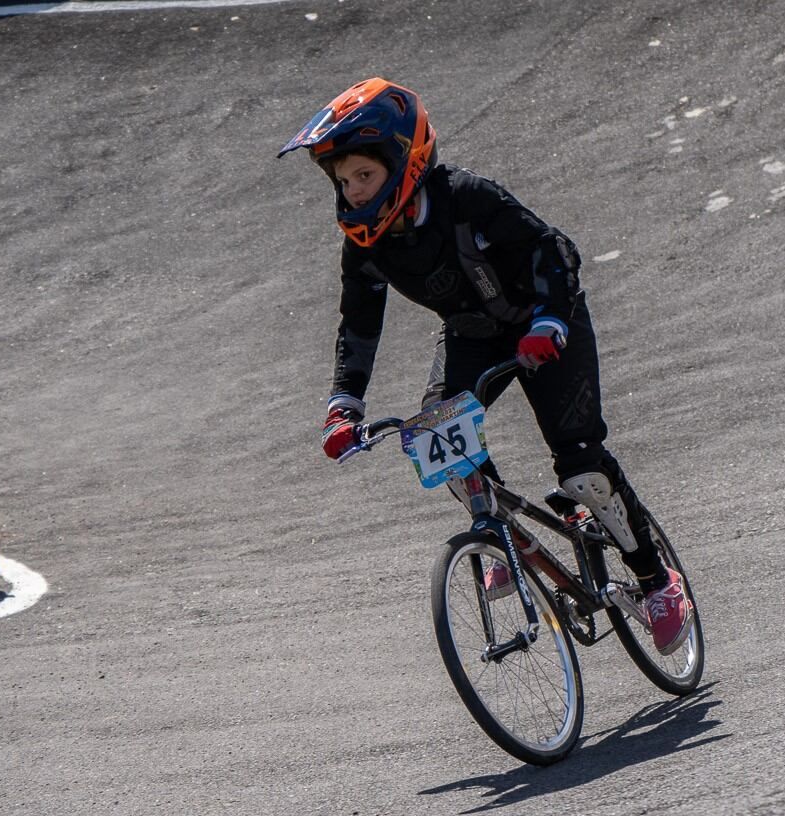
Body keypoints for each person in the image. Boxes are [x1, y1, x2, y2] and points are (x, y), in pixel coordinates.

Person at [277, 78, 693, 654]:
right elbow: (358, 324)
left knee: (581, 468)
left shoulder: (467, 197)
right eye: (343, 181)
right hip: (472, 336)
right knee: (433, 436)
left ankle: (657, 582)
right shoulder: (366, 246)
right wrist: (342, 405)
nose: (352, 192)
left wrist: (550, 320)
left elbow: (554, 250)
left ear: (405, 160)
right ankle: (503, 541)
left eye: (364, 176)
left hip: (547, 325)